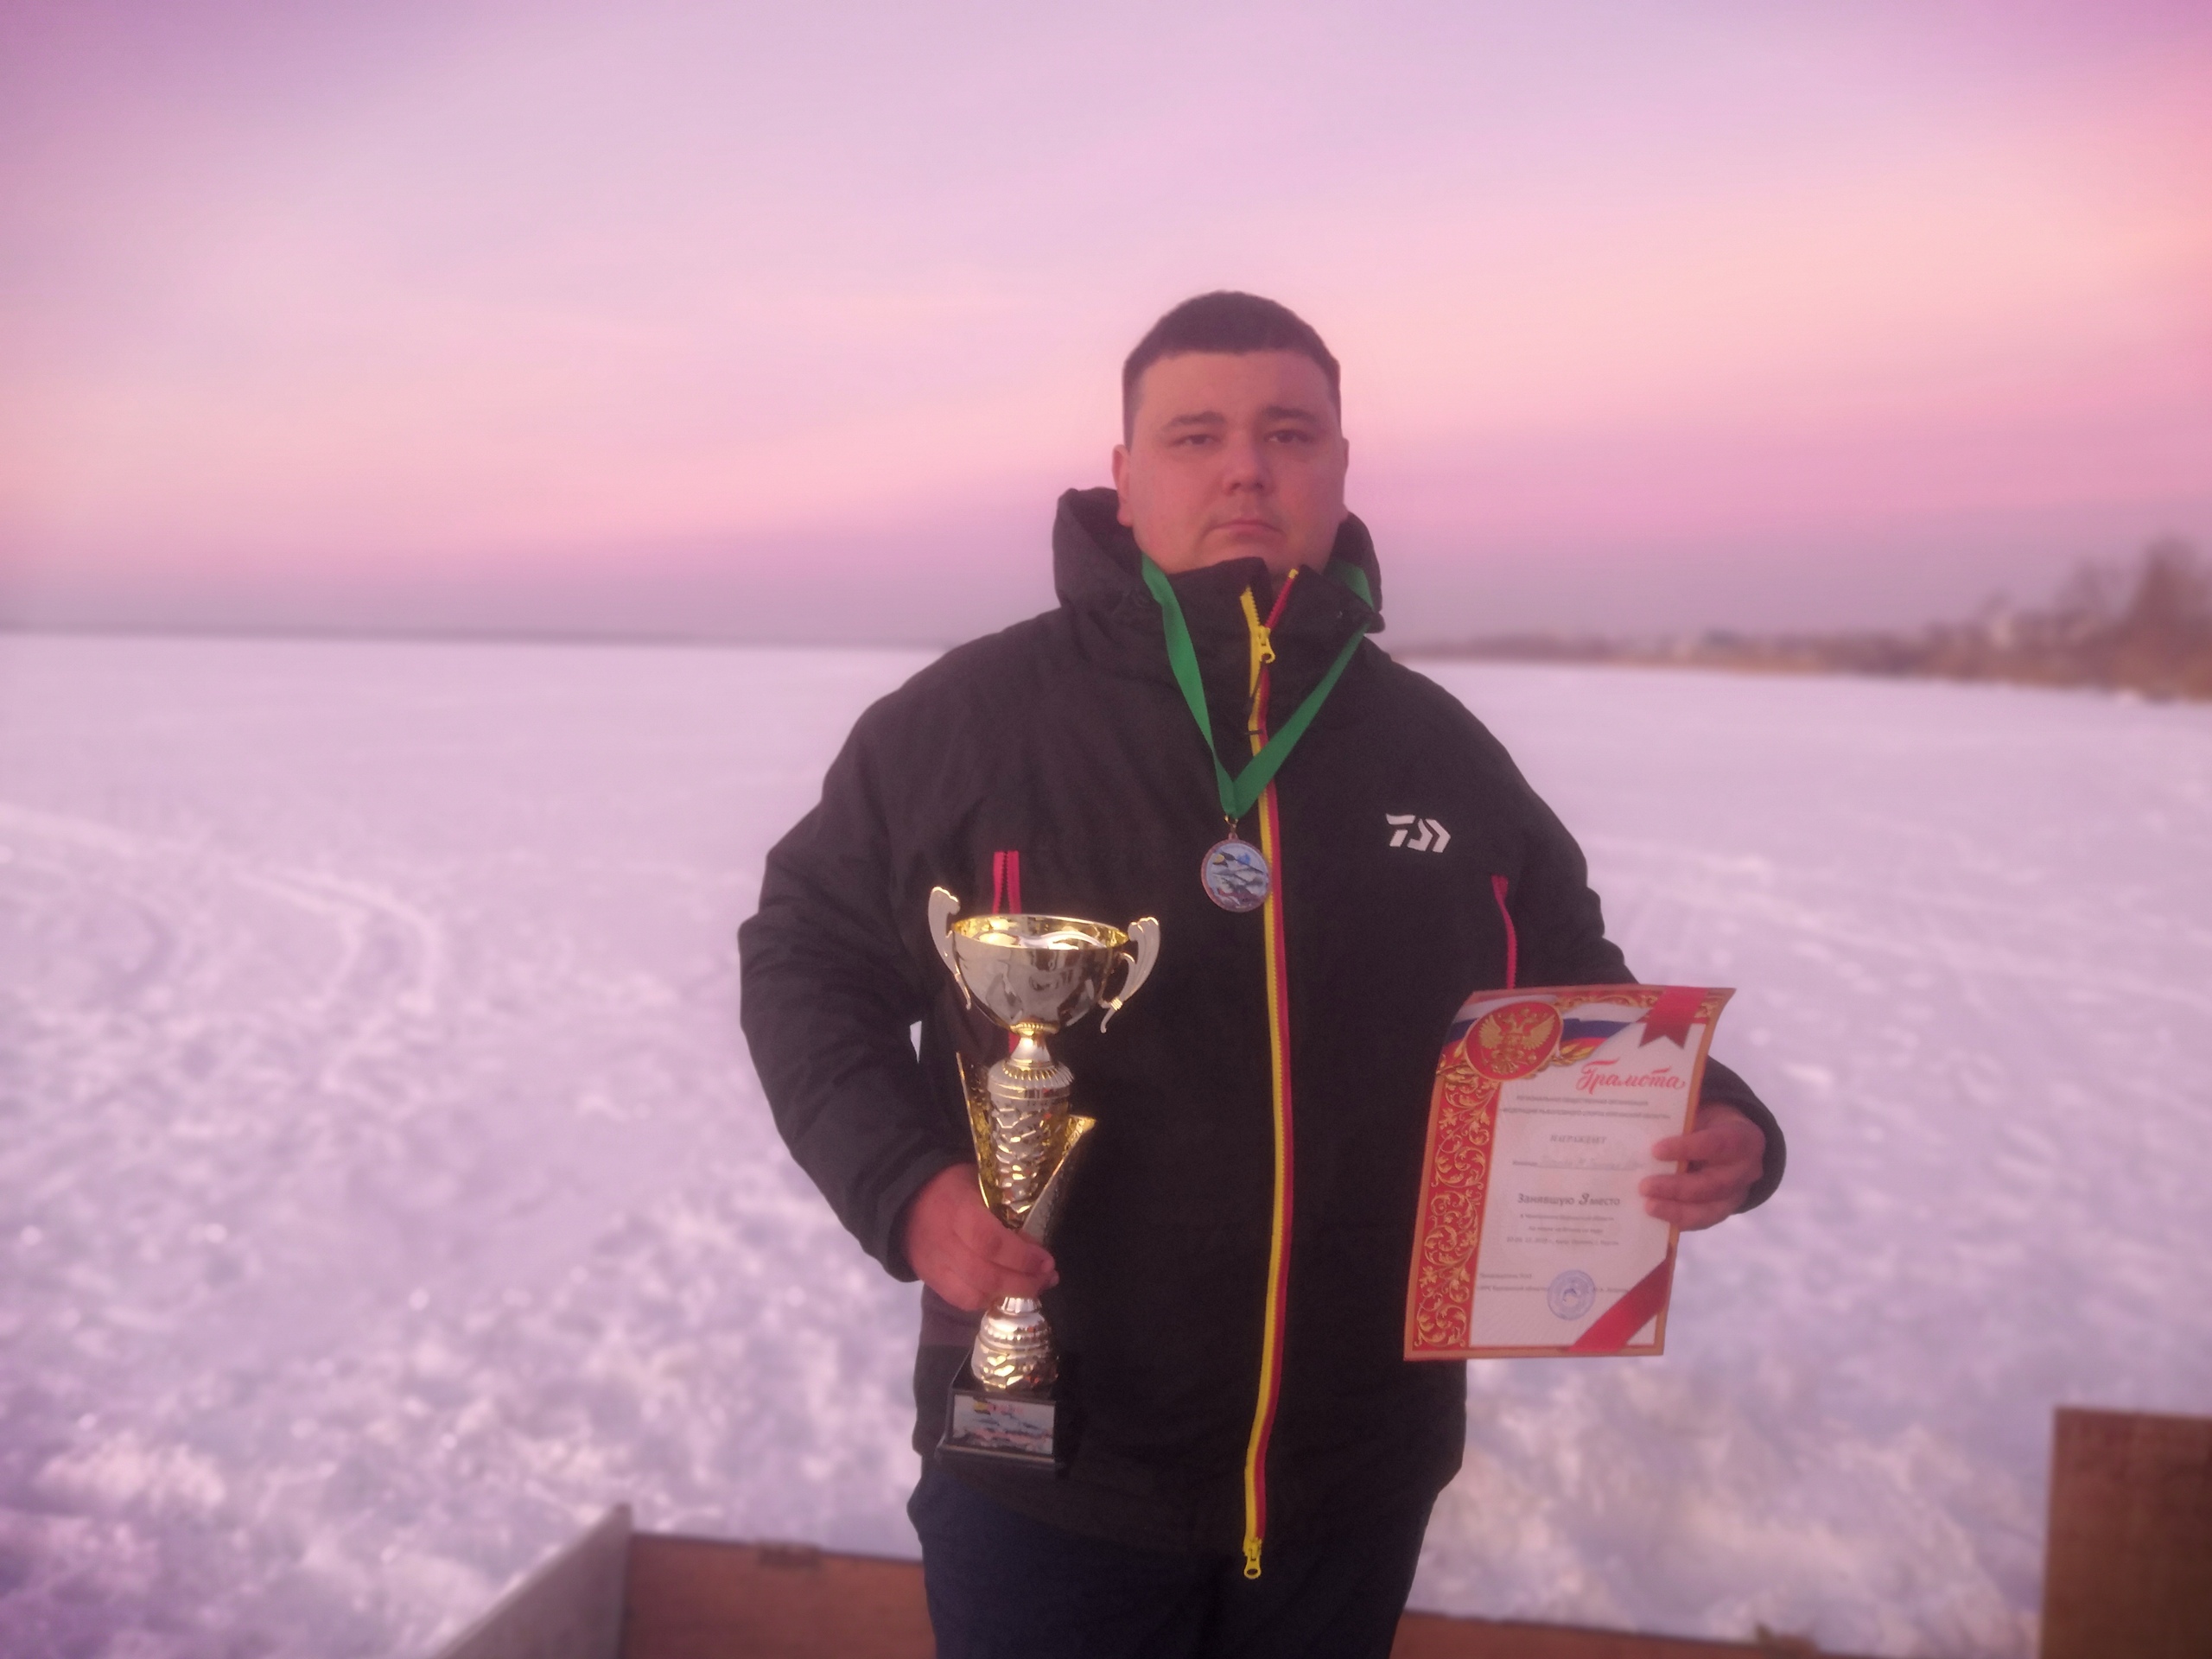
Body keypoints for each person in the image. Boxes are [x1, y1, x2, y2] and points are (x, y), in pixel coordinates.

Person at [738, 291, 1784, 1658]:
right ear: (1125, 478)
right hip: (1049, 1457)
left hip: (1353, 1474)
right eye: (1197, 436)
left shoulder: (1441, 755)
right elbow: (805, 956)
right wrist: (904, 1183)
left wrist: (1717, 1116)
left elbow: (1569, 986)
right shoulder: (965, 728)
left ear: (1340, 465)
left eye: (1289, 433)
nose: (1246, 469)